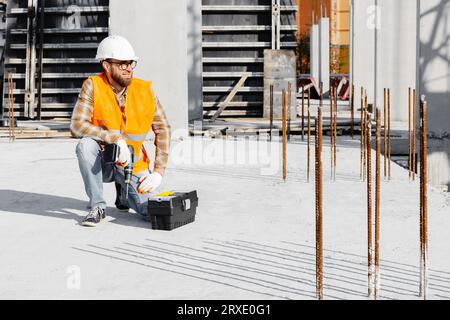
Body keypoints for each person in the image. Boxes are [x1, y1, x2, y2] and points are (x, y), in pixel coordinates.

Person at [70, 35, 171, 227]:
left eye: (131, 63)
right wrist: (115, 139)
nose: (129, 68)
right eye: (122, 64)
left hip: (132, 164)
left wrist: (158, 172)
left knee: (152, 211)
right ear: (106, 66)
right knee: (85, 145)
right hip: (104, 160)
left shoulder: (145, 90)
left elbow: (163, 128)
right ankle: (97, 206)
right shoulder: (93, 86)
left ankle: (123, 194)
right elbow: (77, 125)